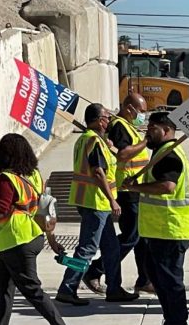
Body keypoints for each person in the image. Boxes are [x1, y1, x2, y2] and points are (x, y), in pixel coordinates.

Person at [0, 133, 78, 325]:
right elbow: (44, 208)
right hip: (31, 235)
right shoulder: (34, 175)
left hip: (16, 239)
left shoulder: (5, 179)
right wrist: (51, 238)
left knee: (32, 290)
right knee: (2, 288)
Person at [123, 112, 189, 325]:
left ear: (166, 130)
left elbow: (167, 186)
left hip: (171, 229)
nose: (147, 133)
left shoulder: (170, 154)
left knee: (170, 282)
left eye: (152, 128)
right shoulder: (161, 153)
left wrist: (137, 188)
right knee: (159, 279)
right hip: (159, 230)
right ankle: (171, 323)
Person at [56, 103, 139, 305]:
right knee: (87, 249)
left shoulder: (89, 140)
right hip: (95, 201)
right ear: (97, 120)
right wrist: (112, 200)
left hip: (94, 201)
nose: (108, 121)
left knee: (111, 248)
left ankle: (114, 288)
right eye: (106, 117)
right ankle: (68, 287)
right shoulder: (93, 140)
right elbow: (98, 172)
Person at [82, 93, 154, 295]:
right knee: (131, 236)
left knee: (141, 238)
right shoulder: (119, 126)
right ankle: (96, 269)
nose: (143, 115)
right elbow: (123, 154)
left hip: (134, 188)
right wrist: (145, 142)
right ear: (130, 108)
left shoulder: (127, 126)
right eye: (141, 111)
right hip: (126, 189)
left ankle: (144, 278)